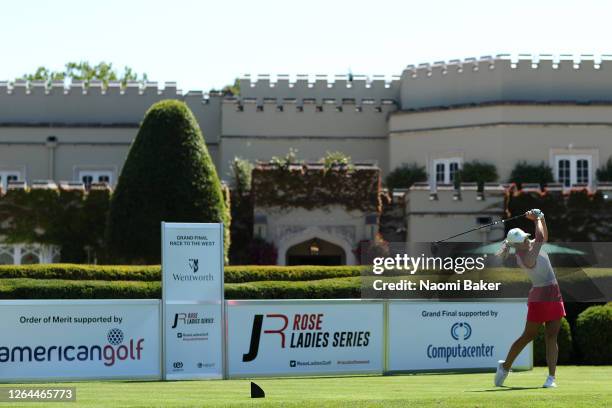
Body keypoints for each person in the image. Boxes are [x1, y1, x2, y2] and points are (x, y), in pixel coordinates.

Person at [493, 208, 565, 388]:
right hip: (540, 297)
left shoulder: (530, 245)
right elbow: (540, 238)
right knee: (528, 336)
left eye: (526, 237)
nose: (527, 240)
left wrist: (542, 218)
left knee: (552, 335)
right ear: (516, 246)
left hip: (554, 293)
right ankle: (505, 366)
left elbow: (543, 237)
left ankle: (551, 378)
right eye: (523, 240)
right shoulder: (525, 257)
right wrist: (537, 218)